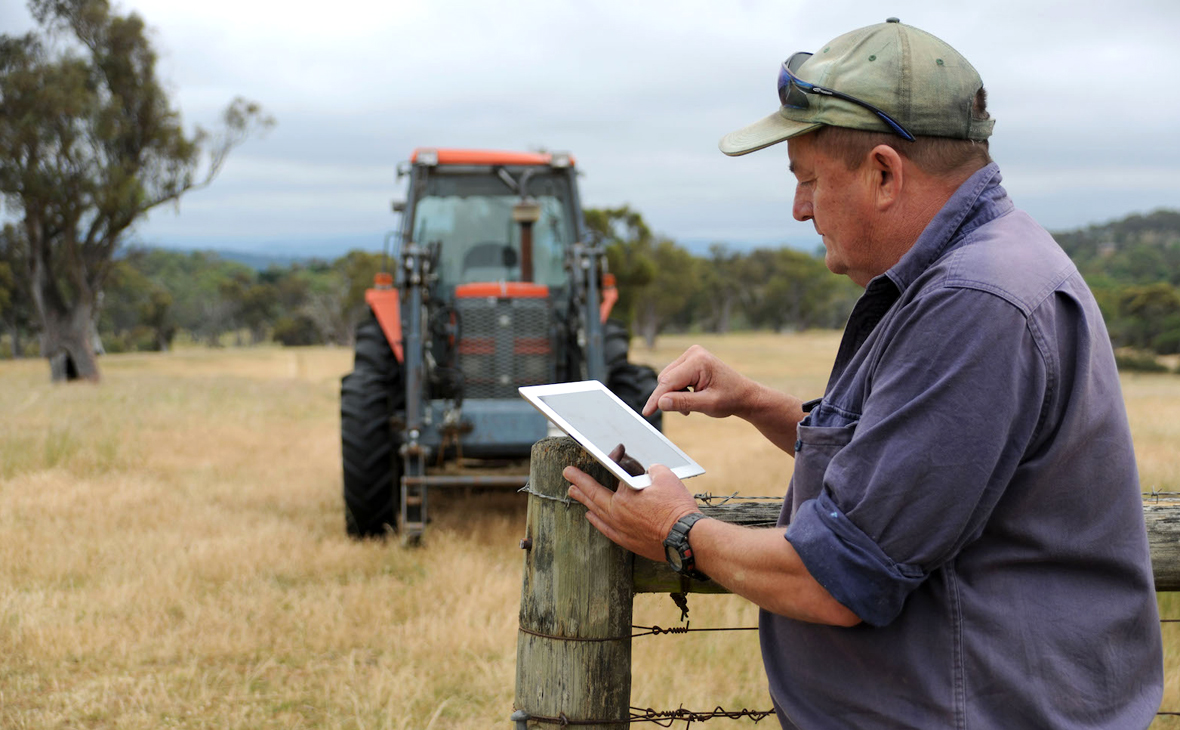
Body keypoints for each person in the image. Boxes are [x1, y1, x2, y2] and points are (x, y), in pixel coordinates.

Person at [563, 18, 1164, 729]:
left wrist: (676, 529)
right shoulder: (973, 272)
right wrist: (756, 402)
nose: (798, 209)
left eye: (809, 180)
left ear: (883, 173)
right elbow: (906, 469)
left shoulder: (976, 302)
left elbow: (840, 579)